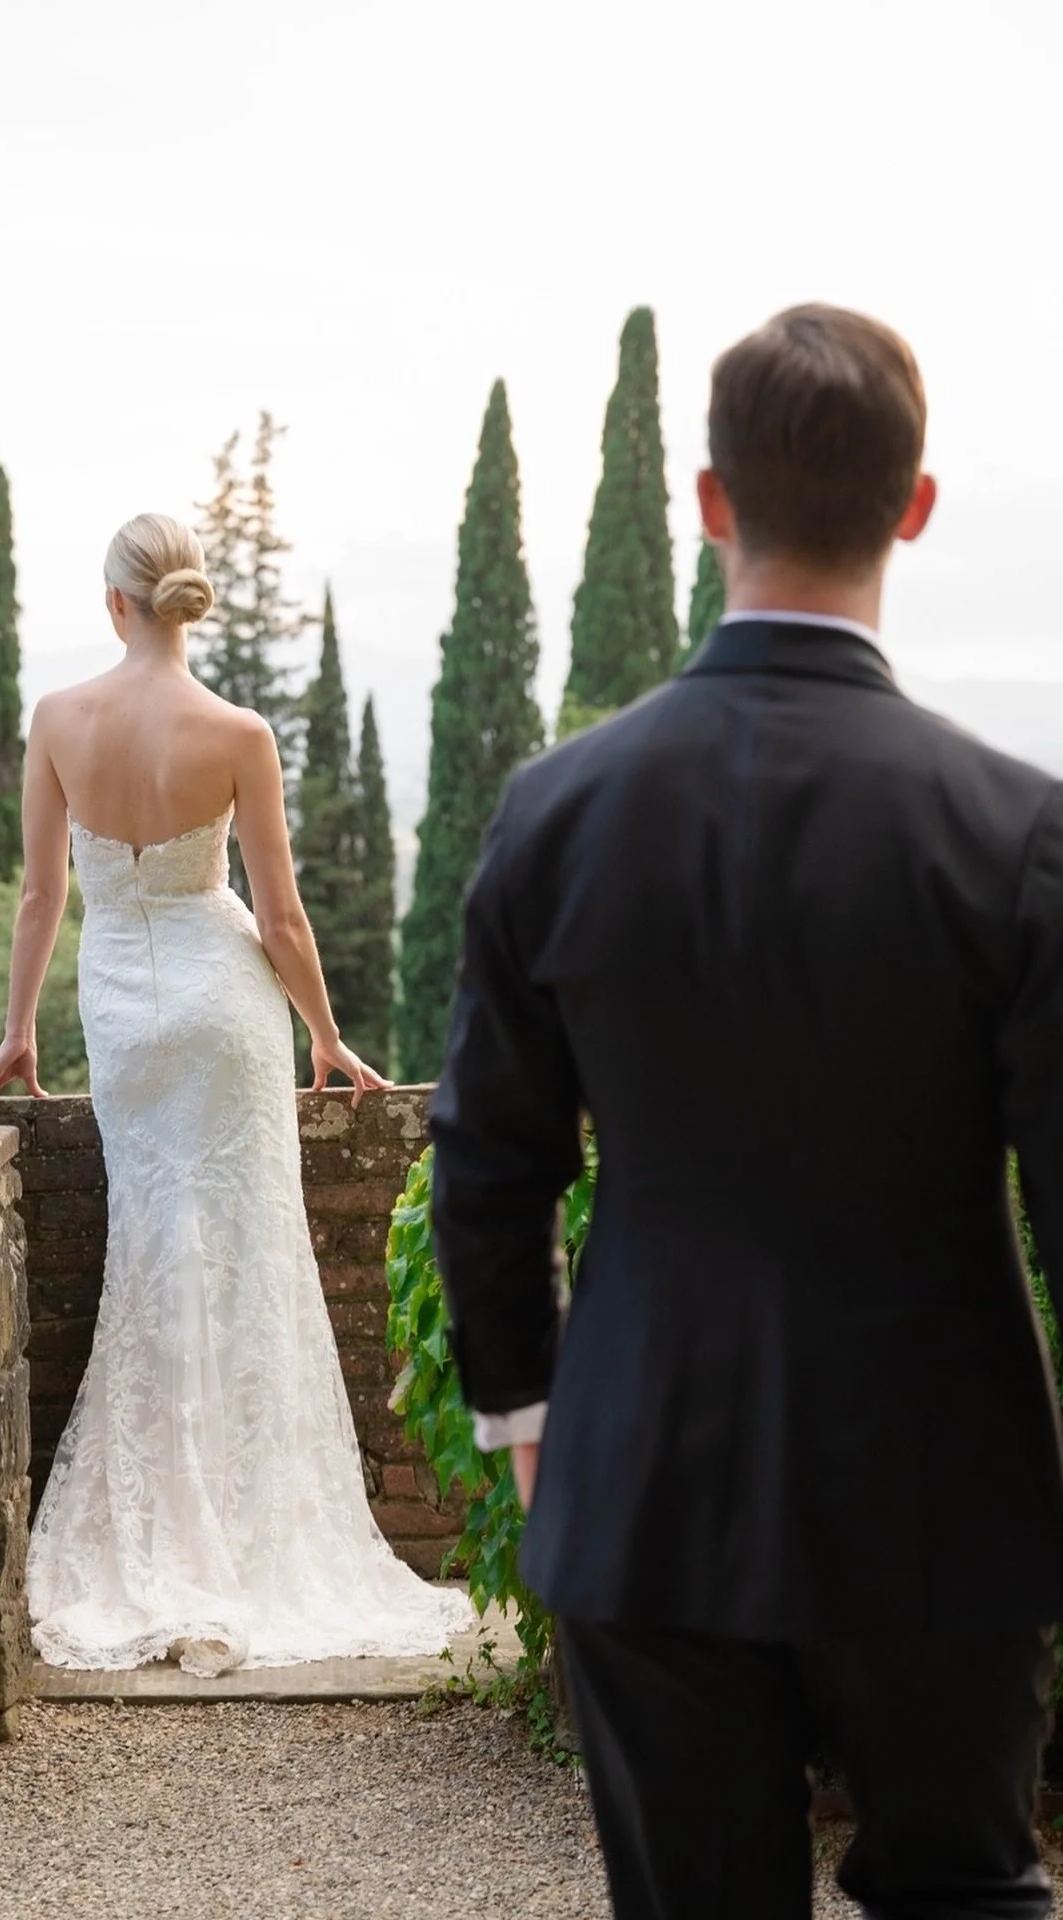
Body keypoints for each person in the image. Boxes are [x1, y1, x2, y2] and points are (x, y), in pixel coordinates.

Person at [430, 306, 1063, 1917]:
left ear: (709, 502)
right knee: (967, 1898)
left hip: (644, 1478)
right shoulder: (1011, 834)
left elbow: (489, 1164)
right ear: (913, 507)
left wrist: (524, 1420)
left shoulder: (555, 814)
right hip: (947, 1485)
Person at [0, 513, 469, 1676]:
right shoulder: (239, 733)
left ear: (113, 603)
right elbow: (281, 917)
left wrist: (17, 1032)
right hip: (226, 1003)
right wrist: (328, 1036)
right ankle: (254, 1538)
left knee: (158, 1249)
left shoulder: (58, 722)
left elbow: (42, 899)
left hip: (126, 1014)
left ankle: (163, 1530)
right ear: (185, 602)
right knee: (248, 1255)